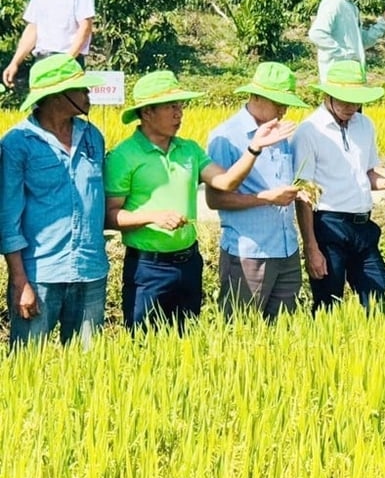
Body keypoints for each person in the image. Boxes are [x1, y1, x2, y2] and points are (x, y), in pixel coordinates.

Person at [105, 71, 296, 332]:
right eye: (171, 107)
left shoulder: (189, 150)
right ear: (147, 112)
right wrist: (152, 216)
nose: (179, 113)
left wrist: (254, 148)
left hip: (188, 263)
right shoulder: (123, 156)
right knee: (143, 343)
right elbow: (110, 216)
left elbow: (226, 182)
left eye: (180, 106)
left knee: (186, 342)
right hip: (148, 267)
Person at [293, 60, 385, 312]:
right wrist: (311, 247)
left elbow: (367, 174)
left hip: (363, 227)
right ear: (327, 95)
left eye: (356, 101)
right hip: (329, 227)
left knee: (381, 300)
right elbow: (303, 192)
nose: (351, 107)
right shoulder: (309, 131)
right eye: (345, 101)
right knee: (329, 306)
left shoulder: (365, 125)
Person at [0, 54, 107, 347]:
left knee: (91, 371)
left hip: (90, 270)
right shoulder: (17, 143)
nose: (88, 95)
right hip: (40, 274)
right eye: (81, 89)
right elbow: (8, 220)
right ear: (57, 96)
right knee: (26, 367)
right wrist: (20, 282)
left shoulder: (92, 137)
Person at [205, 62, 308, 321]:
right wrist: (265, 198)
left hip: (286, 251)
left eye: (286, 104)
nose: (284, 110)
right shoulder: (225, 138)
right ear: (257, 97)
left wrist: (298, 192)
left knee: (285, 335)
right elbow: (215, 199)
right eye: (279, 103)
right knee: (241, 332)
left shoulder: (280, 133)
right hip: (249, 253)